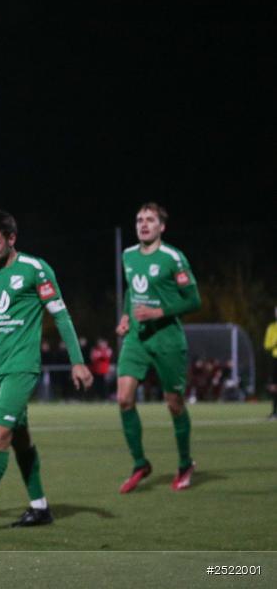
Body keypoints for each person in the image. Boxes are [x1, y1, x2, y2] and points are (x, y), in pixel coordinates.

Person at [0, 210, 92, 533]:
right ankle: (40, 507)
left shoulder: (35, 269)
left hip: (22, 367)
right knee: (20, 440)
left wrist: (78, 361)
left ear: (12, 239)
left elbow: (61, 316)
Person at [115, 203, 201, 493]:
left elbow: (193, 300)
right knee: (124, 398)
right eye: (139, 219)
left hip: (167, 338)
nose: (143, 224)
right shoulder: (128, 255)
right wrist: (126, 315)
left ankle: (185, 463)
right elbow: (132, 290)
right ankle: (140, 463)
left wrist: (158, 312)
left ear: (161, 226)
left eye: (150, 220)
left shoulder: (173, 258)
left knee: (173, 403)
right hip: (137, 338)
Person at [265, 307, 277, 420]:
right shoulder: (272, 328)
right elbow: (267, 345)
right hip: (275, 358)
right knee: (274, 386)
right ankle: (275, 412)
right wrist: (275, 343)